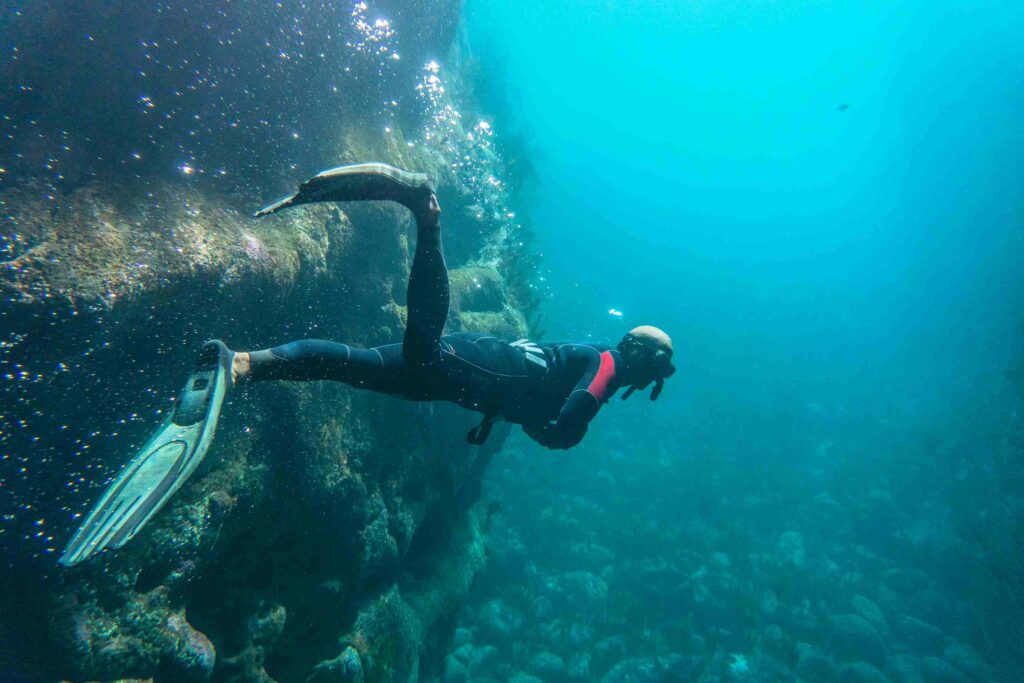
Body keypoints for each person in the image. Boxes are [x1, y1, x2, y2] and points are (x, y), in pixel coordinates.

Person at [59, 163, 675, 566]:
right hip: (466, 367)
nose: (655, 380)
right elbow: (568, 424)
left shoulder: (590, 355)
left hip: (471, 372)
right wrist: (560, 431)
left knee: (353, 365)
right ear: (642, 356)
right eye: (660, 368)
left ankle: (239, 363)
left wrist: (541, 423)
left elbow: (550, 415)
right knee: (420, 349)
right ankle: (423, 210)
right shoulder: (606, 365)